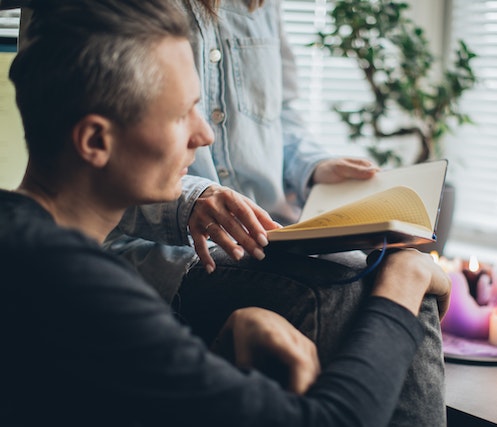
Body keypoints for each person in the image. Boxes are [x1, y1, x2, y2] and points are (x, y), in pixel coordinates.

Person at [0, 0, 452, 426]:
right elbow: (334, 421)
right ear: (96, 140)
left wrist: (232, 332)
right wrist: (406, 275)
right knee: (354, 283)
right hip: (173, 253)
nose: (205, 135)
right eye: (182, 113)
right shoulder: (89, 296)